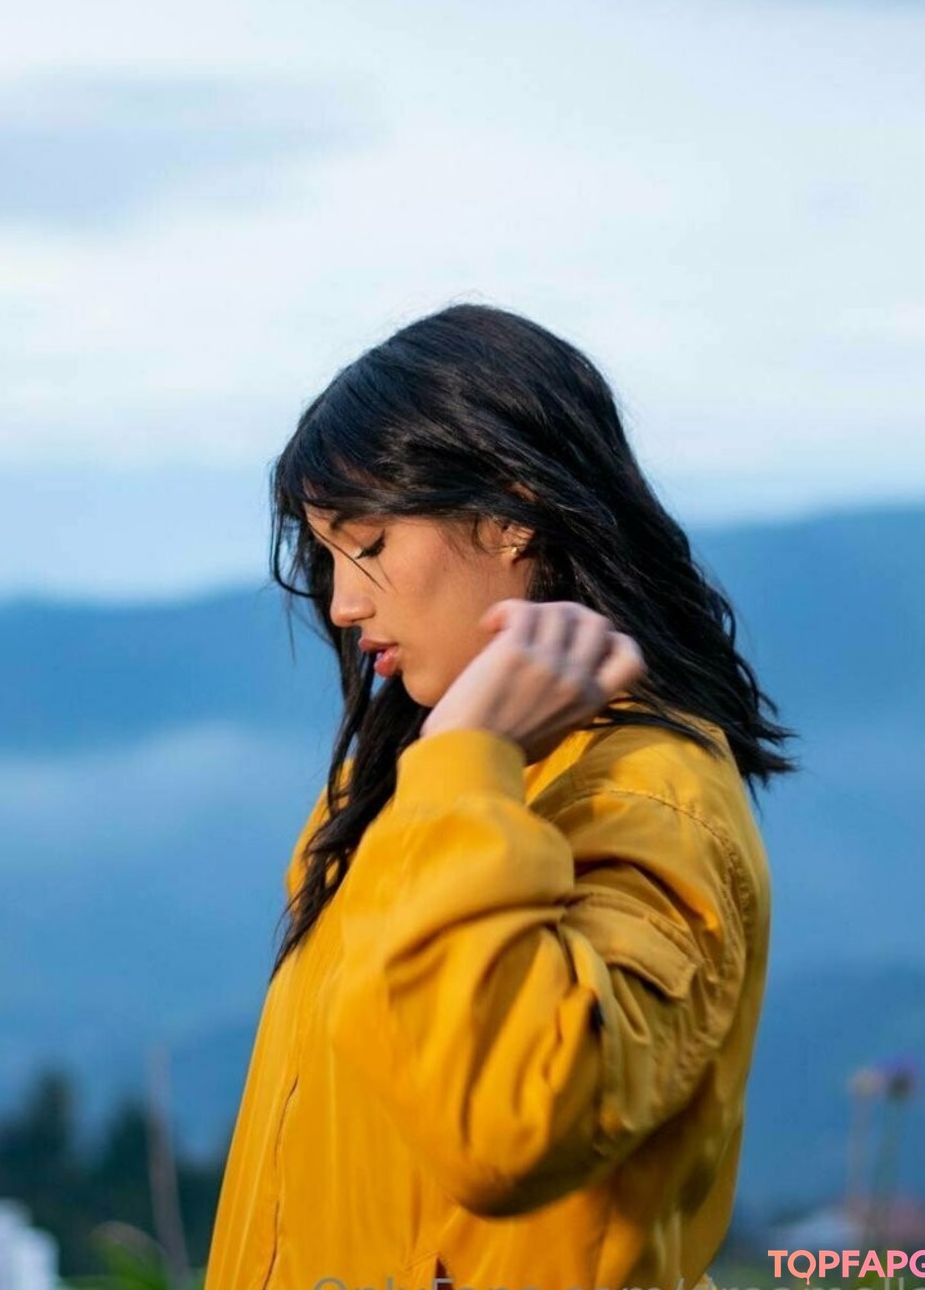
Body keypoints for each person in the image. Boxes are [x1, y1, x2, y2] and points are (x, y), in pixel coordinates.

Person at [203, 302, 798, 1290]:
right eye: (327, 553)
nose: (343, 602)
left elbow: (512, 1126)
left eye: (369, 542)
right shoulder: (397, 783)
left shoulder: (648, 795)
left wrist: (465, 760)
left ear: (513, 510)